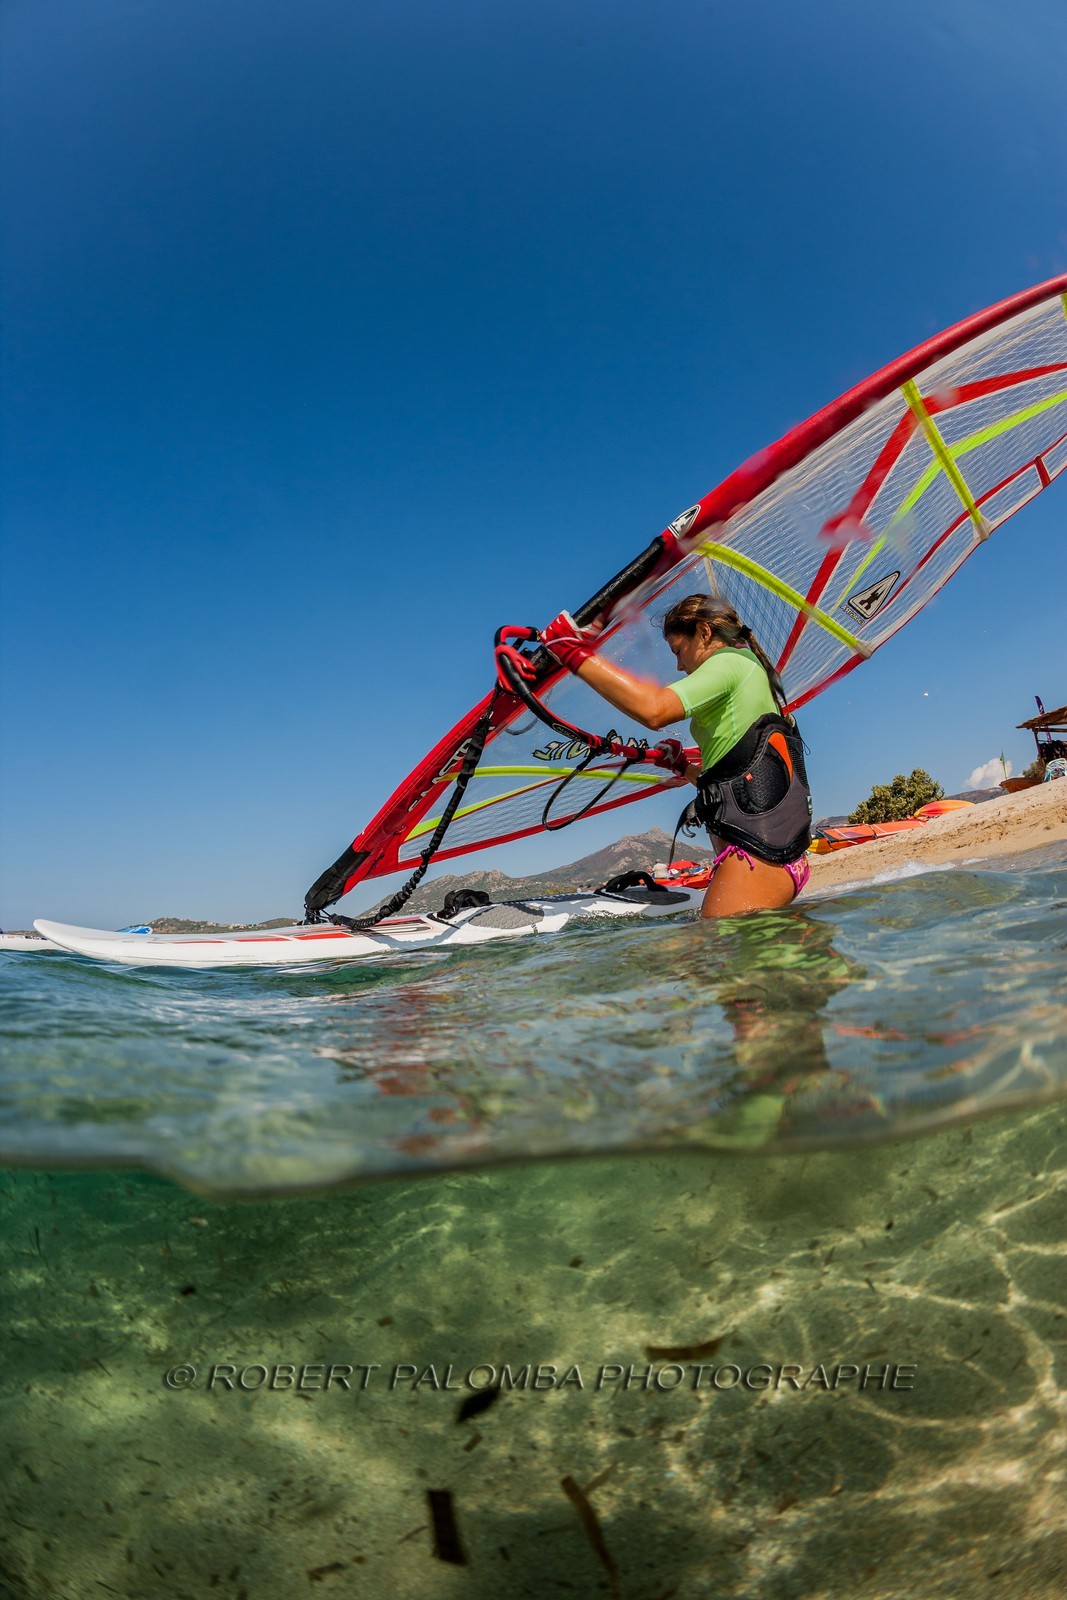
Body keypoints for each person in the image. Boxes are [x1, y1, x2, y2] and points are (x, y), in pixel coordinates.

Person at [539, 595, 813, 918]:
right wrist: (682, 766)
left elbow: (655, 710)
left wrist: (571, 653)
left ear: (705, 633)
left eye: (678, 650)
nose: (679, 666)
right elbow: (737, 776)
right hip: (771, 853)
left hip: (757, 856)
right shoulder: (749, 669)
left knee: (706, 948)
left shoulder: (730, 662)